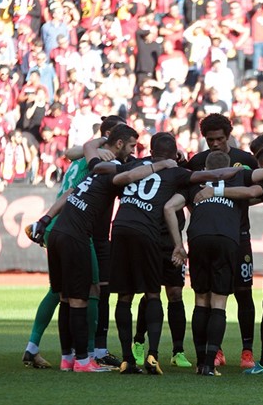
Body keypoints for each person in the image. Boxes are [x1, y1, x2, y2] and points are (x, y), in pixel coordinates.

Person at [40, 131, 179, 373]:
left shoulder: (95, 167)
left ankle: (67, 358)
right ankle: (83, 361)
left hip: (57, 232)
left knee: (64, 297)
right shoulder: (113, 170)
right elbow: (132, 175)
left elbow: (83, 152)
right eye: (132, 146)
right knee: (79, 299)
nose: (135, 151)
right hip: (76, 236)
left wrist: (45, 219)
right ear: (120, 144)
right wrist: (162, 164)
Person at [109, 133, 242, 375]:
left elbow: (115, 175)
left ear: (150, 150)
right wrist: (232, 172)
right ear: (174, 154)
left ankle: (128, 358)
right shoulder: (176, 172)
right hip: (149, 233)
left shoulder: (132, 165)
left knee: (124, 297)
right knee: (153, 294)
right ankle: (153, 355)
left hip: (120, 227)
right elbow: (207, 175)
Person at [165, 149, 263, 375]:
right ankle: (210, 365)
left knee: (201, 299)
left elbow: (169, 207)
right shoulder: (239, 177)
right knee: (219, 302)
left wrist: (178, 244)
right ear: (229, 165)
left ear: (207, 168)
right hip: (228, 240)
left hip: (198, 237)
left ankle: (200, 363)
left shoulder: (196, 183)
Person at [21, 119, 131, 370]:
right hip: (74, 226)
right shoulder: (101, 161)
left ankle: (38, 346)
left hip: (56, 225)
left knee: (60, 293)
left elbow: (70, 153)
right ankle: (87, 353)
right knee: (88, 291)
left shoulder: (82, 155)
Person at [185, 114, 259, 369]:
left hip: (241, 236)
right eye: (210, 139)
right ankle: (213, 352)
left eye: (219, 139)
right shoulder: (197, 161)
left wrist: (235, 201)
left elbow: (262, 190)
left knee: (243, 292)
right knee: (211, 294)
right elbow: (188, 194)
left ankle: (247, 351)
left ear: (228, 135)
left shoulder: (247, 161)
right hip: (217, 235)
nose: (215, 144)